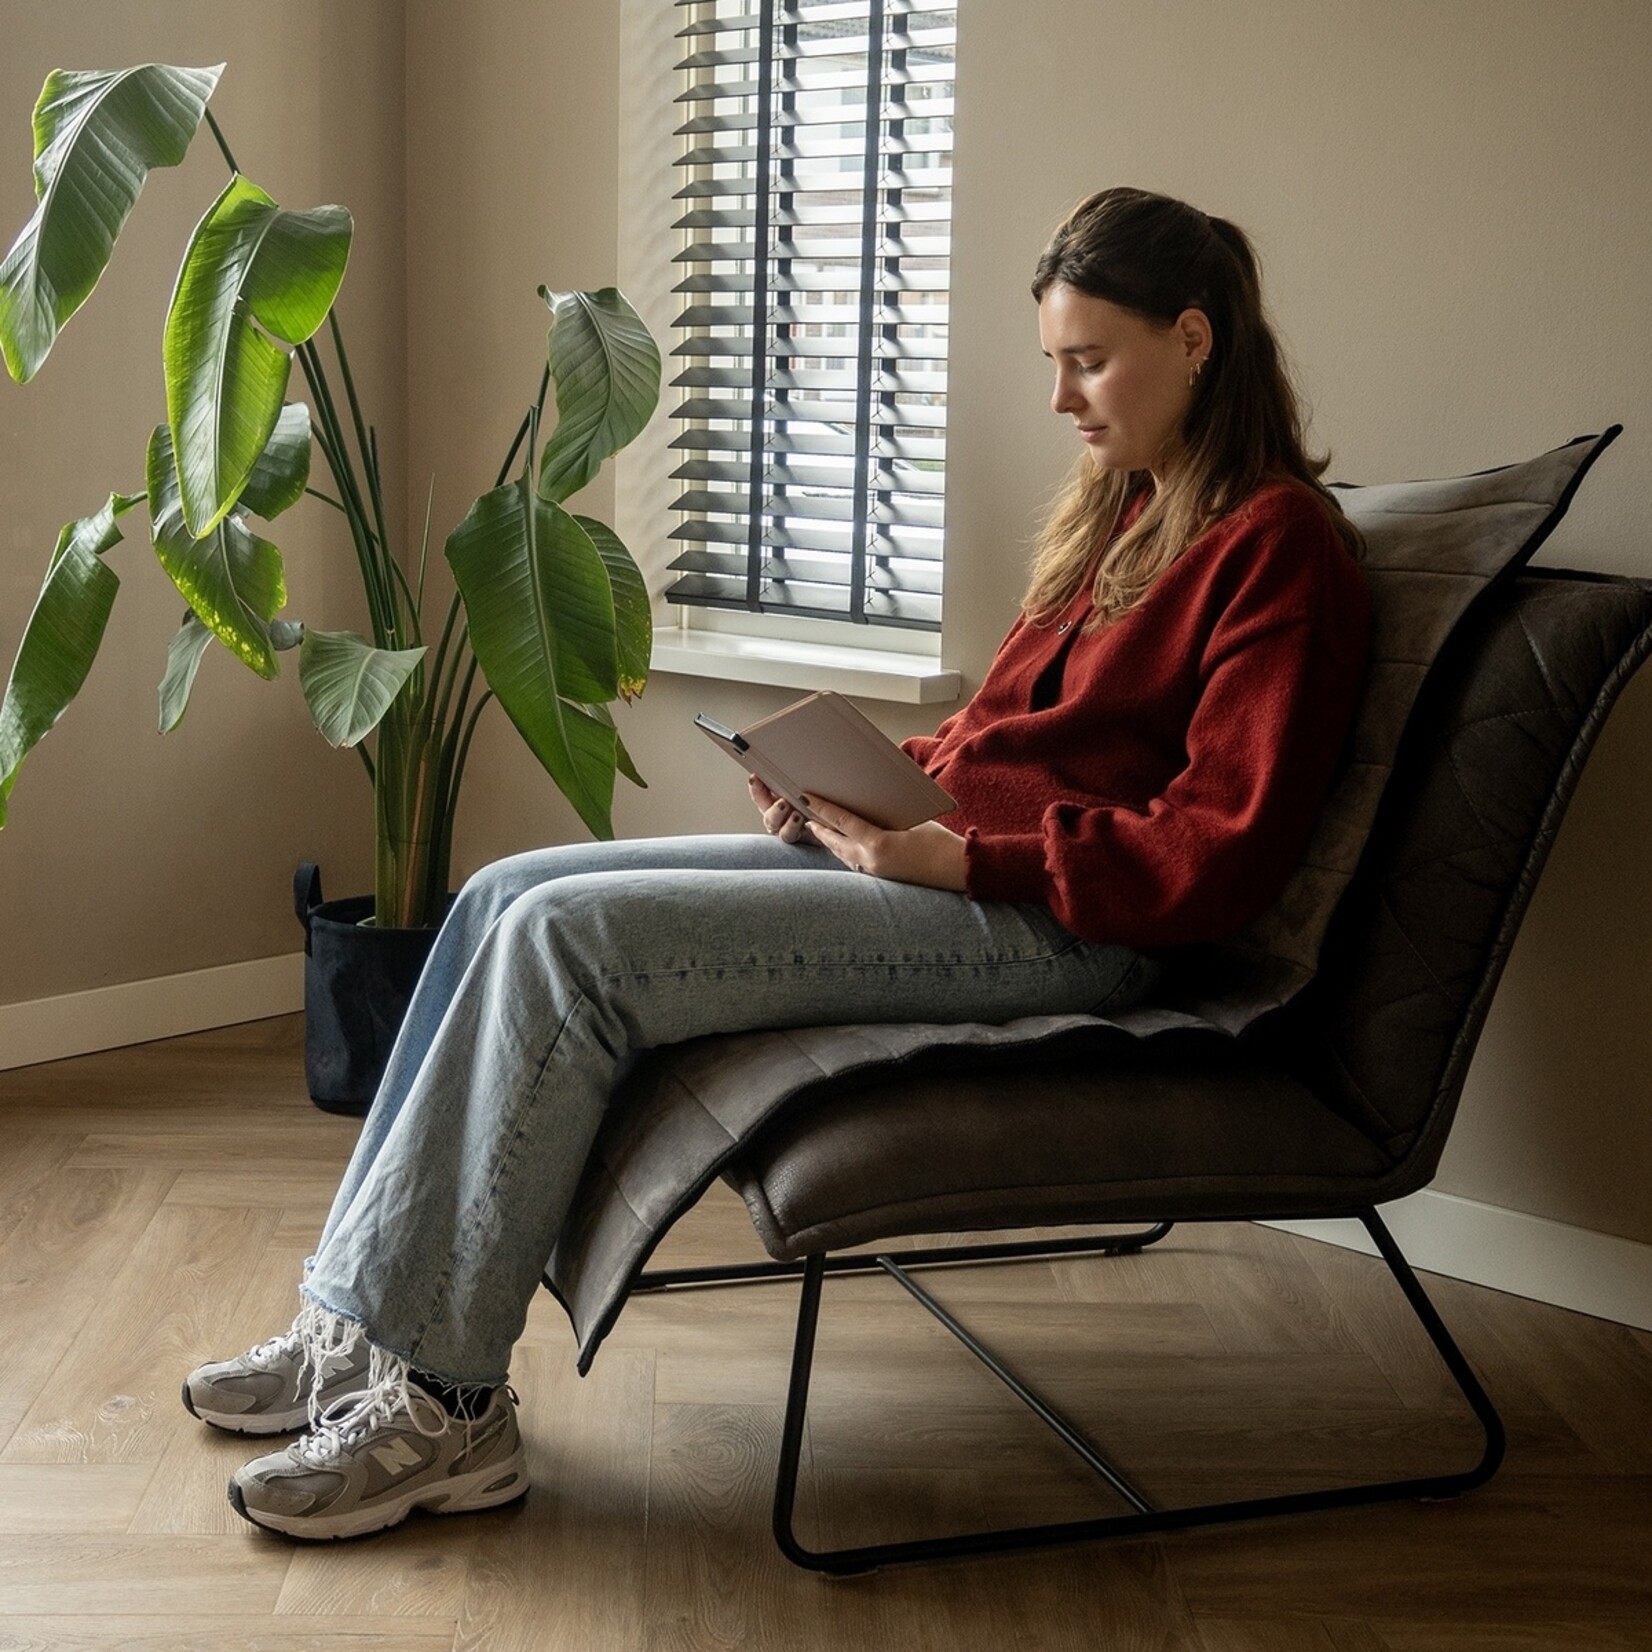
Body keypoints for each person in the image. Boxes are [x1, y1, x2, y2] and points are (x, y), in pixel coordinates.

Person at [183, 186, 1372, 1540]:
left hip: (1066, 928)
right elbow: (1013, 740)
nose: (1062, 400)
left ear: (1199, 340)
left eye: (1088, 361)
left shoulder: (1280, 549)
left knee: (578, 951)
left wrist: (955, 861)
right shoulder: (1126, 514)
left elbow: (1216, 850)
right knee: (513, 888)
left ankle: (450, 1412)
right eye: (1054, 361)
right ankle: (354, 1325)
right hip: (948, 863)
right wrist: (848, 790)